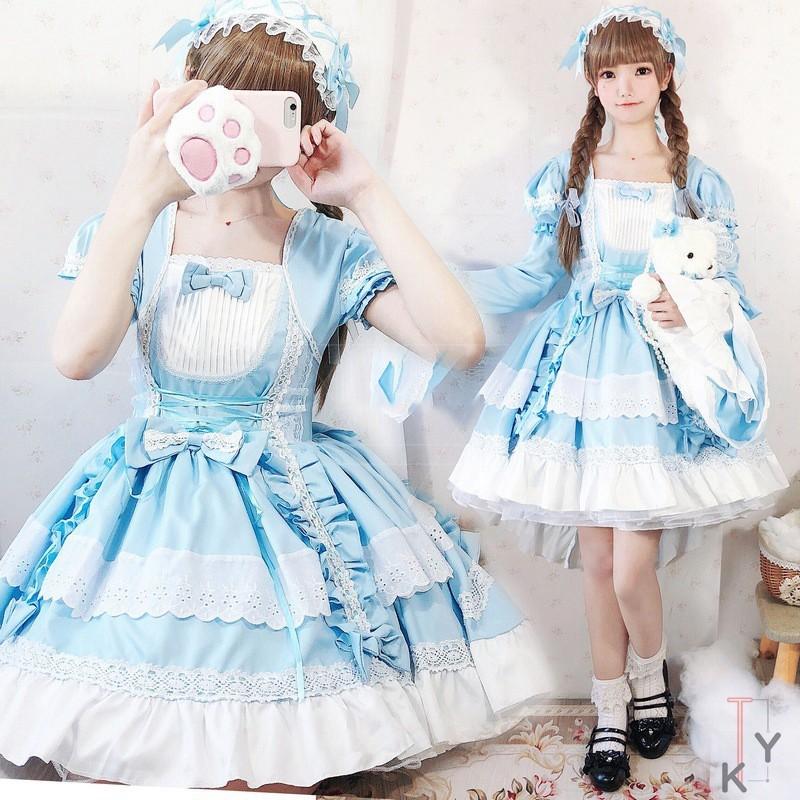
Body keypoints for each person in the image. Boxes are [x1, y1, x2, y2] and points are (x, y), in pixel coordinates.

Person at [0, 1, 550, 790]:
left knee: (276, 760)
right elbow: (75, 357)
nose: (243, 134)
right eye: (228, 105)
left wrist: (365, 193)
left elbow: (459, 340)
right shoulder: (136, 230)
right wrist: (137, 191)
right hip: (145, 516)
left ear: (306, 128)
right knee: (133, 749)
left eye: (272, 115)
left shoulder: (328, 247)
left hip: (293, 518)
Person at [448, 6, 787, 793]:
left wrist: (686, 305)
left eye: (640, 70)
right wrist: (442, 289)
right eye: (609, 72)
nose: (625, 85)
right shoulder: (570, 174)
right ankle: (610, 710)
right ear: (591, 82)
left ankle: (648, 679)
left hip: (659, 381)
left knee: (633, 566)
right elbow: (538, 275)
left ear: (665, 76)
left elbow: (728, 288)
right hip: (580, 373)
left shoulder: (696, 180)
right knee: (598, 561)